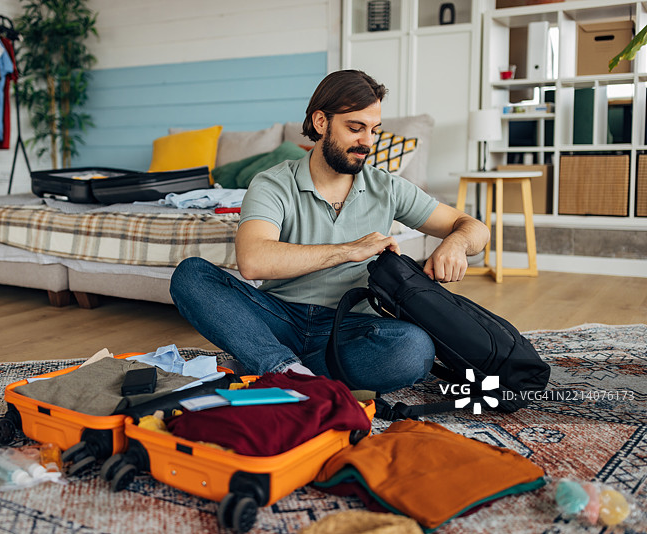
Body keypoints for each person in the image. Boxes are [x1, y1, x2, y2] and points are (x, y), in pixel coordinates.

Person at [170, 70, 490, 393]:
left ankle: (275, 366)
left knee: (415, 348)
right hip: (279, 317)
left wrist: (456, 243)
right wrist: (348, 250)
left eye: (373, 130)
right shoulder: (272, 184)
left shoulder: (387, 187)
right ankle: (288, 369)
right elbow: (253, 260)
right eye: (355, 128)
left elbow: (474, 228)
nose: (367, 141)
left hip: (350, 326)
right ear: (321, 122)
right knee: (190, 276)